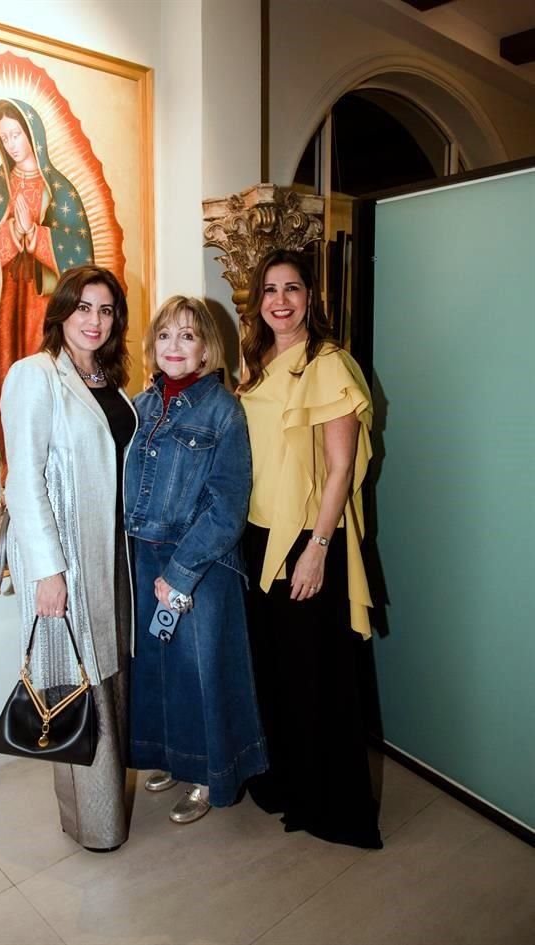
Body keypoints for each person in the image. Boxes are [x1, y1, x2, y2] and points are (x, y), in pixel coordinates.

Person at [238, 248, 382, 849]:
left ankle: (328, 804)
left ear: (310, 298)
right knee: (271, 672)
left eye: (292, 289)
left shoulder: (328, 364)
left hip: (306, 537)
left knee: (314, 676)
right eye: (269, 290)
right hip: (257, 535)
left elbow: (342, 466)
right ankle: (282, 781)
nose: (280, 301)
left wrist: (319, 548)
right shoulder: (257, 363)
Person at [0, 265, 136, 852]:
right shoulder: (35, 376)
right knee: (79, 686)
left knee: (112, 677)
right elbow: (24, 479)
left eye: (106, 310)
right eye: (84, 307)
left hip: (115, 555)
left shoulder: (109, 380)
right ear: (61, 312)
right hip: (71, 560)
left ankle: (108, 808)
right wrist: (47, 570)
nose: (95, 320)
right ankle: (95, 824)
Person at [125, 296, 267, 824]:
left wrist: (181, 573)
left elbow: (229, 503)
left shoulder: (222, 408)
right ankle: (175, 759)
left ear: (207, 347)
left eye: (187, 336)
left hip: (199, 563)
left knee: (203, 671)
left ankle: (211, 775)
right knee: (161, 672)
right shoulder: (140, 406)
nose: (175, 346)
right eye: (165, 335)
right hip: (143, 557)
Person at [0, 98, 94, 512]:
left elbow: (81, 254)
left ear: (33, 134)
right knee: (12, 383)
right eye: (4, 137)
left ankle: (54, 478)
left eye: (16, 133)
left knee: (52, 388)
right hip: (8, 309)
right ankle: (13, 478)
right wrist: (10, 234)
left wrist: (37, 235)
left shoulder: (61, 190)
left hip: (48, 311)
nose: (11, 143)